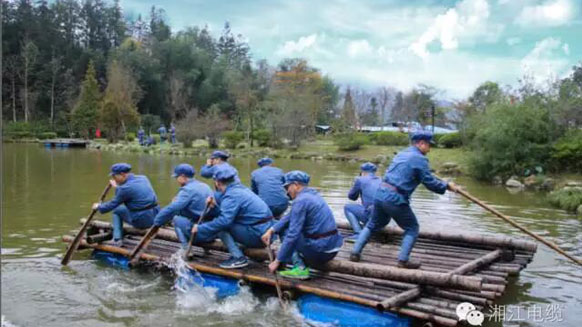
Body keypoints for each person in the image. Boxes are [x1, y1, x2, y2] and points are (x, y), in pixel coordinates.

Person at [350, 131, 459, 269]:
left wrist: (443, 183)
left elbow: (424, 175)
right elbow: (429, 182)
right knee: (412, 228)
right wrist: (447, 186)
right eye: (428, 146)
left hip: (380, 193)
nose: (430, 149)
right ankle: (403, 260)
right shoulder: (420, 158)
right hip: (394, 198)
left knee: (372, 225)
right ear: (421, 144)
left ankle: (355, 252)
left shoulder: (402, 153)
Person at [261, 171, 343, 280]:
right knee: (284, 228)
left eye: (287, 187)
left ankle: (300, 268)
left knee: (287, 232)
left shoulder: (300, 201)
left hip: (321, 252)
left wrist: (277, 260)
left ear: (296, 185)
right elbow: (289, 216)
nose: (286, 192)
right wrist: (271, 230)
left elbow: (292, 235)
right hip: (333, 249)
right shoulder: (313, 194)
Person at [191, 165, 274, 269]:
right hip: (266, 231)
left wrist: (200, 228)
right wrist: (215, 204)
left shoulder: (231, 195)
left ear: (217, 182)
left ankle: (238, 258)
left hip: (259, 235)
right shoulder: (239, 188)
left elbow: (224, 221)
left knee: (220, 227)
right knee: (222, 222)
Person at [92, 163, 159, 246]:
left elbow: (112, 204)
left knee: (117, 211)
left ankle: (117, 239)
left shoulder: (124, 189)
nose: (114, 179)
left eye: (114, 176)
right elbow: (129, 192)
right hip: (157, 216)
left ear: (123, 174)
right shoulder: (143, 178)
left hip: (144, 221)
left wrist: (99, 206)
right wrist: (118, 188)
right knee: (124, 208)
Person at [152, 164, 215, 248]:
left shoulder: (187, 189)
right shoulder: (205, 186)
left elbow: (172, 208)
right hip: (211, 231)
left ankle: (185, 248)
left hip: (199, 234)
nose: (176, 180)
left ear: (183, 176)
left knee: (176, 218)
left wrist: (157, 222)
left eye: (177, 177)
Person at [344, 162, 381, 241]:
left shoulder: (360, 179)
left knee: (347, 207)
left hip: (371, 216)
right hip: (384, 219)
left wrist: (356, 184)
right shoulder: (382, 180)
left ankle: (358, 233)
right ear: (375, 172)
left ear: (363, 172)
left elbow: (352, 197)